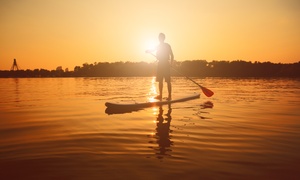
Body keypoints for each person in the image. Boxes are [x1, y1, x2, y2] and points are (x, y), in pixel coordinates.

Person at [146, 33, 174, 100]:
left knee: (168, 81)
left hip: (166, 64)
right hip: (160, 64)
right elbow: (152, 50)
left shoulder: (167, 45)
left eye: (161, 37)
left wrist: (171, 63)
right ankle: (160, 95)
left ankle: (169, 96)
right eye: (159, 38)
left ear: (163, 38)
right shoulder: (158, 46)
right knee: (160, 80)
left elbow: (172, 55)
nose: (160, 39)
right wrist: (148, 51)